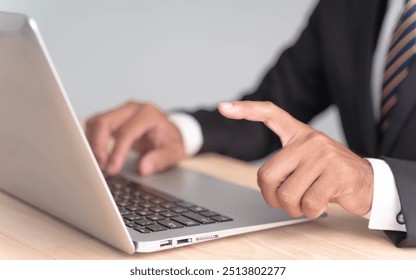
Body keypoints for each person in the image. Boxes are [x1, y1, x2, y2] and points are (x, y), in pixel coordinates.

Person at [86, 0, 416, 247]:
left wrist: (372, 184)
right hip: (359, 252)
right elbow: (274, 112)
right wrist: (180, 132)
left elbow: (372, 179)